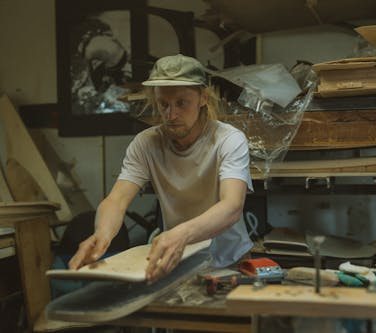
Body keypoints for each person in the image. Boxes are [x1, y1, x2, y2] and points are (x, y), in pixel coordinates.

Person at [69, 54, 254, 282]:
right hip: (176, 260)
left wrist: (182, 234)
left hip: (229, 261)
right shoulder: (146, 143)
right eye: (163, 104)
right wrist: (102, 235)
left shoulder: (229, 140)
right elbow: (116, 200)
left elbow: (232, 206)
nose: (171, 114)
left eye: (181, 103)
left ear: (203, 98)